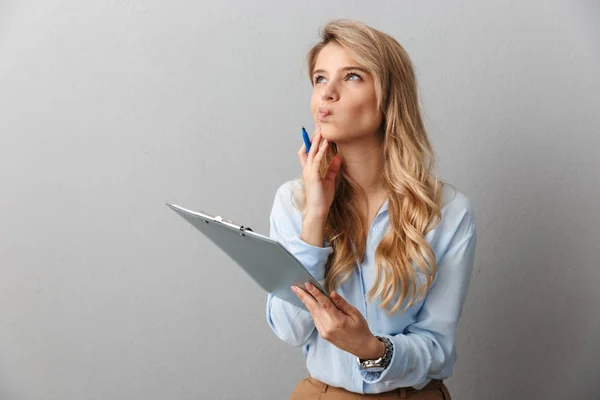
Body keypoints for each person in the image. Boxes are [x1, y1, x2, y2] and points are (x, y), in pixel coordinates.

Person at [266, 19, 477, 400]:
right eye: (319, 78)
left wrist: (372, 350)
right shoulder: (291, 202)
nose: (326, 94)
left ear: (389, 97)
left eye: (351, 77)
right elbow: (288, 329)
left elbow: (437, 346)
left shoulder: (448, 213)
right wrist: (315, 215)